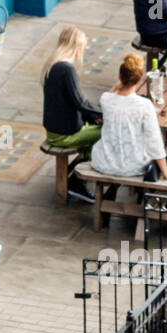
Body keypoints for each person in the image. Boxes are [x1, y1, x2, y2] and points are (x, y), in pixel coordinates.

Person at [90, 53, 167, 182]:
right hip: (133, 166)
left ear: (119, 77)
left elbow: (109, 94)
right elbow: (154, 141)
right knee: (160, 145)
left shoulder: (105, 99)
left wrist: (118, 85)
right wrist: (166, 172)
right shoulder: (144, 105)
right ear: (139, 79)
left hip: (105, 163)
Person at [41, 26, 102, 202]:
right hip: (65, 134)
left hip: (54, 130)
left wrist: (93, 116)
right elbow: (80, 103)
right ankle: (77, 179)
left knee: (94, 128)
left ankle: (74, 173)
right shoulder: (67, 69)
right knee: (105, 132)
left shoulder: (51, 66)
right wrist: (104, 112)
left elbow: (74, 102)